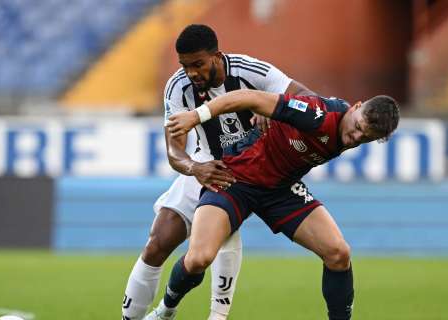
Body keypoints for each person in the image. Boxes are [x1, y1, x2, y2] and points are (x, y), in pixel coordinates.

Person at [149, 89, 399, 319]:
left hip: (280, 189)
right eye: (357, 128)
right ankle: (165, 310)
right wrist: (196, 116)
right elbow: (251, 97)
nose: (355, 138)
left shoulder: (351, 126)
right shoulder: (316, 114)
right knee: (198, 259)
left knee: (339, 253)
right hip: (236, 179)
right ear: (356, 107)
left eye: (366, 138)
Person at [122, 24, 314, 320]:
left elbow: (307, 100)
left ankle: (214, 315)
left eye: (198, 64)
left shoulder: (252, 72)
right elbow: (174, 151)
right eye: (185, 66)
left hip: (253, 168)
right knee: (158, 240)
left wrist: (273, 110)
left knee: (222, 234)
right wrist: (195, 168)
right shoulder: (177, 88)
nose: (192, 73)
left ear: (217, 56)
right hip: (207, 164)